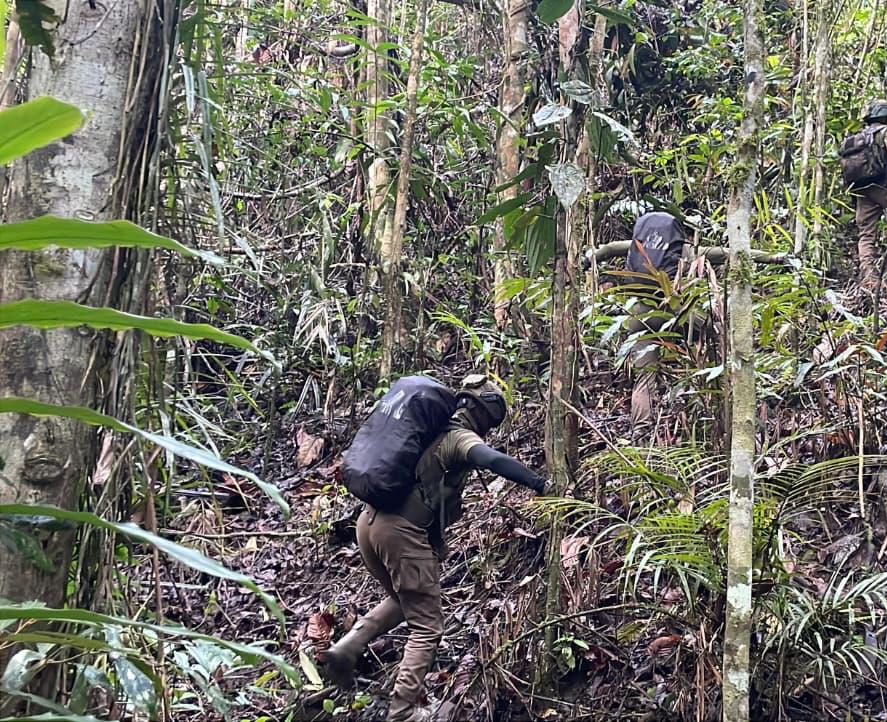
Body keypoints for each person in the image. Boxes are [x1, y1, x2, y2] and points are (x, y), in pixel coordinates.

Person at [321, 374, 545, 721]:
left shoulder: (423, 431)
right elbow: (490, 459)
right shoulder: (458, 436)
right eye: (491, 422)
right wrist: (539, 482)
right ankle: (403, 710)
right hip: (399, 533)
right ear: (483, 415)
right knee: (427, 626)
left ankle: (348, 647)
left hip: (368, 525)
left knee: (404, 600)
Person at [590, 211, 790, 427]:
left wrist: (587, 258)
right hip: (675, 313)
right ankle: (720, 394)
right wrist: (774, 257)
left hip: (640, 316)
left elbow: (608, 249)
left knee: (644, 377)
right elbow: (730, 253)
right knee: (716, 332)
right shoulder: (685, 250)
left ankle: (640, 429)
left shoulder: (637, 245)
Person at [840, 100, 887, 287]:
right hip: (883, 186)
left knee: (866, 234)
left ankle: (869, 277)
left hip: (861, 189)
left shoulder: (859, 138)